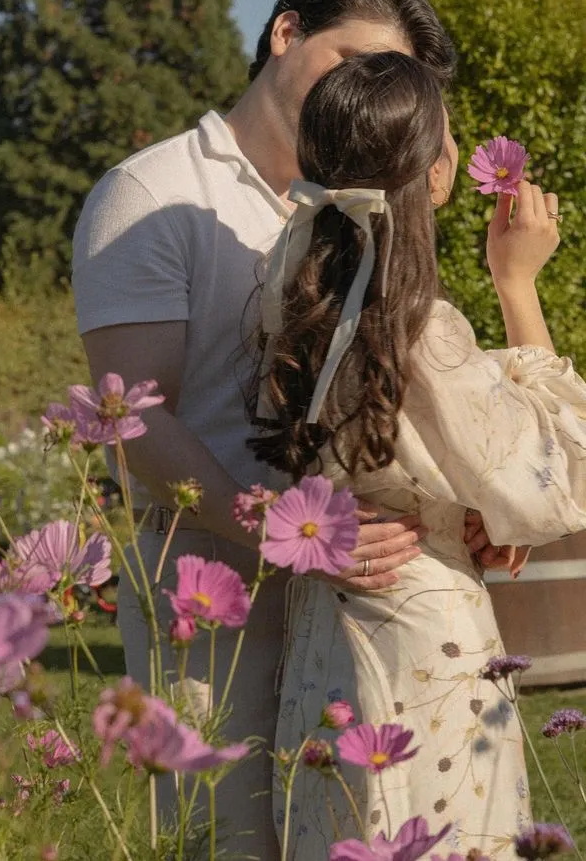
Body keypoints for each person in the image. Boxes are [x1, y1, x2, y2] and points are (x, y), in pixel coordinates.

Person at [72, 0, 503, 857]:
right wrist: (280, 531)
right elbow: (129, 413)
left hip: (351, 606)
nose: (360, 93)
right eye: (354, 61)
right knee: (223, 841)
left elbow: (396, 393)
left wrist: (468, 508)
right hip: (210, 592)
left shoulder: (363, 200)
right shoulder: (150, 194)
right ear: (285, 34)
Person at [250, 49, 586, 859]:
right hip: (425, 631)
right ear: (436, 175)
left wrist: (469, 504)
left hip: (324, 634)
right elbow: (555, 471)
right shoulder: (421, 329)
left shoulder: (288, 294)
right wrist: (517, 285)